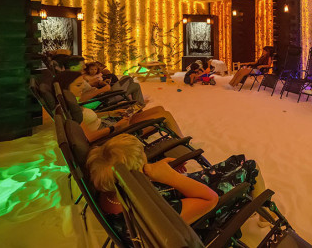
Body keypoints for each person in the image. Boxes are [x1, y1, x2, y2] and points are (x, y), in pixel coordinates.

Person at [86, 134, 270, 241]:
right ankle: (265, 215)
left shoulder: (110, 192)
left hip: (176, 195)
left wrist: (153, 171)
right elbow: (210, 199)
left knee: (237, 161)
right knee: (250, 166)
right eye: (143, 160)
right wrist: (171, 177)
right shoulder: (150, 215)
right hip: (205, 208)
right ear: (135, 174)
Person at [56, 71, 184, 141]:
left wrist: (111, 113)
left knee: (159, 109)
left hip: (110, 122)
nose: (83, 88)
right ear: (65, 88)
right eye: (78, 85)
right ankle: (181, 143)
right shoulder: (72, 108)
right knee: (165, 116)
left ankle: (179, 140)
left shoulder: (71, 102)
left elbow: (88, 118)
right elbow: (89, 138)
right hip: (114, 132)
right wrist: (116, 126)